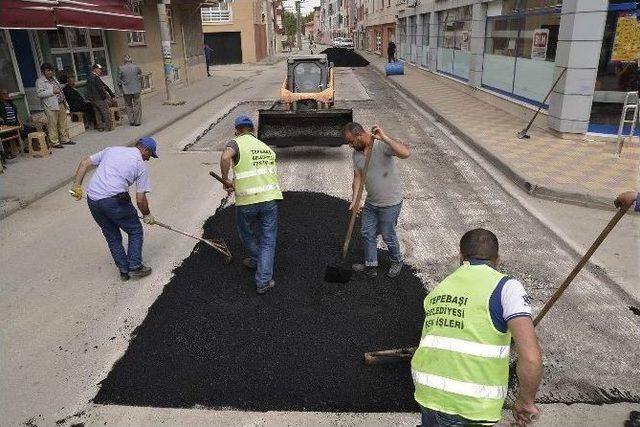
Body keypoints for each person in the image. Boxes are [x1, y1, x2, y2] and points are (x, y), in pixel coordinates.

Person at [412, 228, 542, 427]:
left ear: (461, 257)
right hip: (469, 405)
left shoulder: (441, 287)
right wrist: (526, 401)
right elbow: (531, 358)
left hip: (427, 393)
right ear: (497, 260)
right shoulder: (505, 287)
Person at [69, 137, 158, 281]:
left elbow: (85, 162)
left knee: (112, 235)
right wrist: (147, 214)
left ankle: (124, 271)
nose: (149, 159)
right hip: (114, 201)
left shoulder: (112, 150)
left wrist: (76, 186)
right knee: (135, 230)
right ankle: (135, 267)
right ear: (145, 150)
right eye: (150, 155)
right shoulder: (140, 165)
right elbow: (140, 199)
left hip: (93, 200)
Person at [219, 115, 283, 294]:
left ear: (237, 131)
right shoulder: (265, 148)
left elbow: (225, 158)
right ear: (253, 130)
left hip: (247, 201)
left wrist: (225, 181)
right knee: (268, 239)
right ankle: (260, 269)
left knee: (246, 232)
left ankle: (260, 271)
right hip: (270, 199)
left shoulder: (236, 142)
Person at [343, 122, 410, 278]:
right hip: (371, 203)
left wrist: (385, 137)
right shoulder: (357, 154)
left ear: (359, 135)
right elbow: (358, 178)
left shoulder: (381, 146)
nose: (349, 145)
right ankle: (371, 265)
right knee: (367, 232)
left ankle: (396, 260)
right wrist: (355, 201)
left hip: (390, 203)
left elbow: (405, 153)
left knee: (387, 235)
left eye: (351, 141)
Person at [35, 63, 76, 148]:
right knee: (52, 124)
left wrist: (65, 85)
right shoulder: (40, 81)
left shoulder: (53, 79)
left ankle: (64, 138)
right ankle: (54, 142)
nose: (50, 72)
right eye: (48, 70)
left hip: (60, 103)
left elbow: (58, 88)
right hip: (50, 106)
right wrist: (52, 92)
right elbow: (39, 94)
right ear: (43, 72)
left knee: (62, 122)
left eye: (51, 70)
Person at [0, 87, 36, 161]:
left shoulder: (11, 103)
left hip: (16, 123)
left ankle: (27, 147)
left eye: (7, 93)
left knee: (31, 129)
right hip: (7, 126)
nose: (6, 95)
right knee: (9, 134)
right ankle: (9, 151)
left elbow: (16, 114)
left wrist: (21, 123)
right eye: (4, 94)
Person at [87, 64, 115, 132]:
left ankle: (100, 127)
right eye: (99, 69)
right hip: (99, 98)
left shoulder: (89, 77)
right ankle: (109, 127)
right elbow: (100, 88)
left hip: (92, 99)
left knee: (97, 113)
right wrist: (104, 97)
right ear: (95, 69)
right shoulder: (96, 78)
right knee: (106, 112)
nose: (100, 71)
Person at [117, 55, 143, 126]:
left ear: (124, 61)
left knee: (128, 105)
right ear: (131, 60)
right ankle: (137, 121)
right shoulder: (136, 67)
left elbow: (118, 80)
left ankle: (131, 121)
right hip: (136, 89)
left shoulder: (121, 68)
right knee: (137, 104)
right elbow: (140, 74)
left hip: (126, 90)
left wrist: (121, 87)